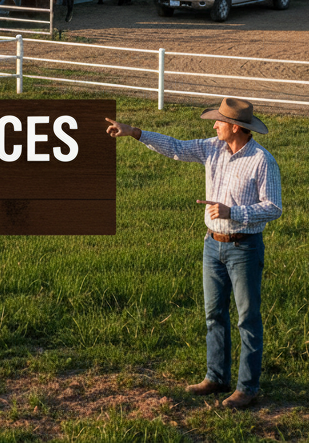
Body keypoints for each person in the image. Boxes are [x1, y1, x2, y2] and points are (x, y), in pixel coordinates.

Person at [105, 98, 282, 409]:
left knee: (247, 319)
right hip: (212, 245)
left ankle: (247, 388)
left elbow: (273, 207)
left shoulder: (261, 161)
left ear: (235, 127)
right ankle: (216, 378)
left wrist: (234, 211)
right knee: (214, 315)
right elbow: (175, 147)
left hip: (244, 247)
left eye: (219, 121)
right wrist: (133, 132)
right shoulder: (212, 147)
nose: (214, 125)